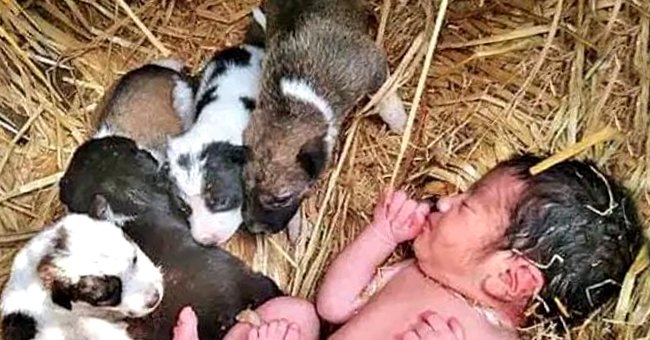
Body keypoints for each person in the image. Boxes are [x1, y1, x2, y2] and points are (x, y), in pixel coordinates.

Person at [173, 154, 644, 340]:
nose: (445, 199)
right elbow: (334, 305)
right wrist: (380, 236)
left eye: (468, 204)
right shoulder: (417, 274)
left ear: (511, 278)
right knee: (295, 314)